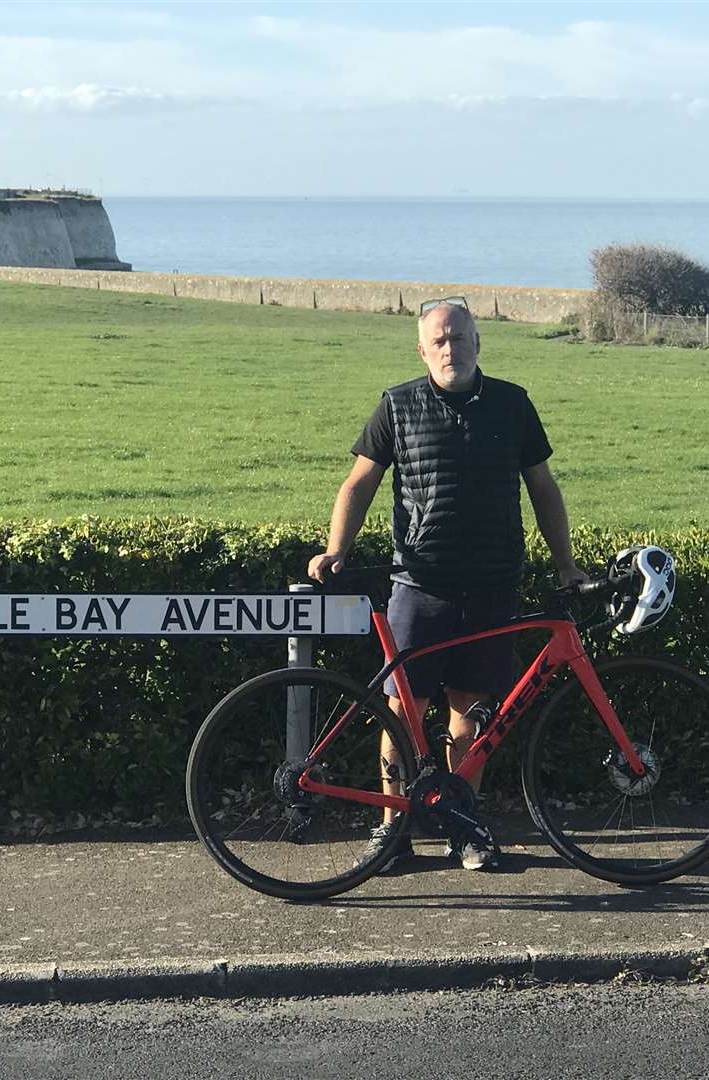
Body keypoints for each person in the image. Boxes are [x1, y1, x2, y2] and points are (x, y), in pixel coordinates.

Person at [306, 296, 586, 871]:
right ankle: (392, 829)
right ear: (422, 349)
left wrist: (566, 565)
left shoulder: (513, 405)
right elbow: (358, 483)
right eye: (439, 340)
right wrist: (338, 549)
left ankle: (465, 824)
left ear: (478, 342)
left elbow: (543, 488)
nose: (450, 348)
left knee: (473, 709)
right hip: (419, 584)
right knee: (402, 709)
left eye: (460, 338)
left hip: (492, 583)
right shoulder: (397, 405)